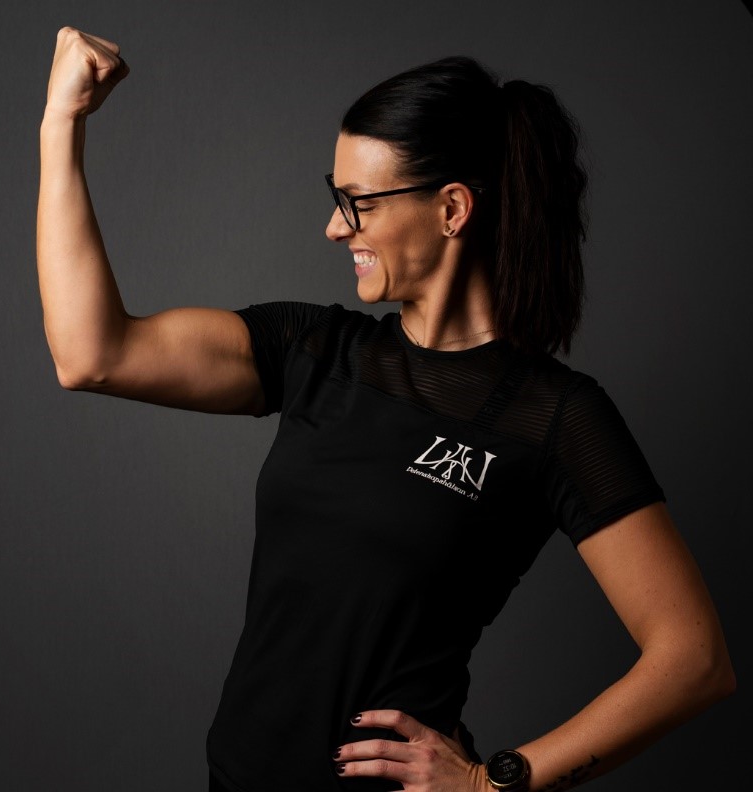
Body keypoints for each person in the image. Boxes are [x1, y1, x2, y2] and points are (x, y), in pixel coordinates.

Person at [37, 27, 735, 792]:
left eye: (358, 203)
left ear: (452, 209)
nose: (336, 226)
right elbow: (92, 354)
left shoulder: (556, 417)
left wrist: (492, 783)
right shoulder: (313, 351)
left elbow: (695, 659)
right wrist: (60, 124)